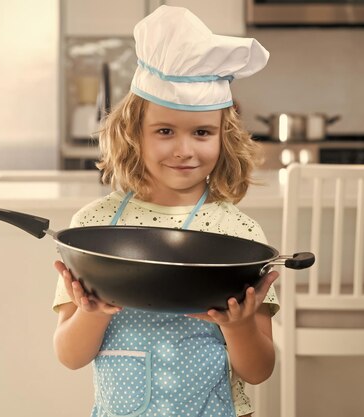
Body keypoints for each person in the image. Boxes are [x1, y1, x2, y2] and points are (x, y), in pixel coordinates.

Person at [52, 5, 279, 417]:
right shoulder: (94, 229)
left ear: (223, 139)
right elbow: (69, 356)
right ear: (133, 133)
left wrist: (238, 324)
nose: (184, 149)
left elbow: (260, 370)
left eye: (202, 132)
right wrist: (91, 312)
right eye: (164, 131)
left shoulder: (240, 236)